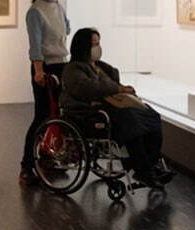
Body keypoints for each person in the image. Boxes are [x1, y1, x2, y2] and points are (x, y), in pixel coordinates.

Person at [61, 28, 173, 187]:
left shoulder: (102, 67)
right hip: (88, 111)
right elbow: (87, 88)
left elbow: (108, 85)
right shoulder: (73, 69)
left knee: (151, 116)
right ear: (84, 47)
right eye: (94, 44)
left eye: (98, 43)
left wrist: (122, 89)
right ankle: (142, 169)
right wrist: (118, 89)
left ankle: (149, 163)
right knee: (130, 120)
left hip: (110, 106)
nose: (98, 48)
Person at [21, 0, 71, 185]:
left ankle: (47, 153)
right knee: (41, 115)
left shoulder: (58, 7)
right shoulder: (35, 11)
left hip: (62, 64)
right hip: (45, 67)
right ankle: (26, 166)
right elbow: (36, 44)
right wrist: (38, 70)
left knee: (58, 113)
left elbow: (66, 29)